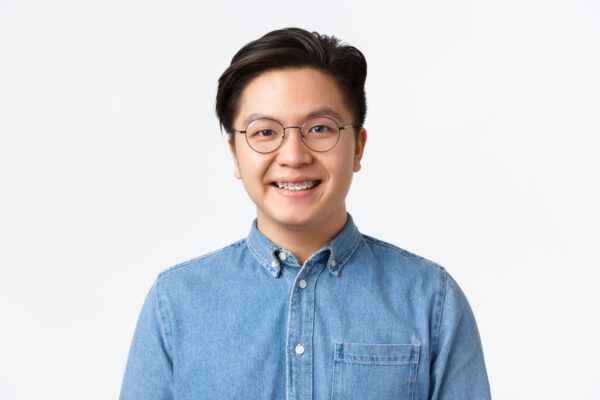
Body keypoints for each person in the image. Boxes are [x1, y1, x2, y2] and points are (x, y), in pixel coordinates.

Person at [119, 27, 491, 400]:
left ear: (358, 149)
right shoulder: (175, 302)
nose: (294, 156)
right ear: (234, 154)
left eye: (319, 128)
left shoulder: (430, 301)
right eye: (265, 132)